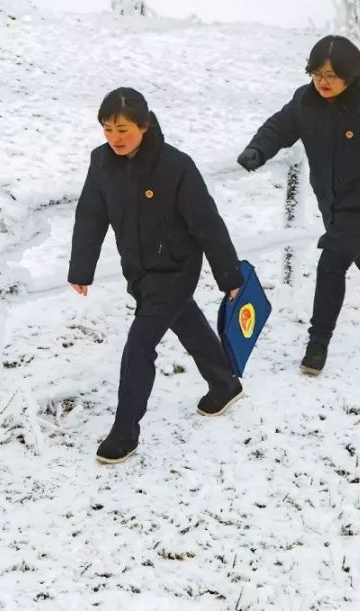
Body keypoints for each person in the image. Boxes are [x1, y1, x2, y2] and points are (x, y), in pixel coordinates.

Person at [236, 36, 360, 376]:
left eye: (330, 75)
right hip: (334, 203)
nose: (322, 82)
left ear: (351, 72)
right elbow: (279, 127)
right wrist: (257, 150)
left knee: (331, 265)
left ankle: (318, 344)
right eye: (316, 74)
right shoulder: (306, 101)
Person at [69, 87, 244, 464]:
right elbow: (90, 216)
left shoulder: (175, 166)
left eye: (123, 129)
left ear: (144, 126)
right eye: (108, 129)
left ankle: (124, 432)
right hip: (138, 271)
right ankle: (224, 383)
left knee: (139, 347)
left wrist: (228, 274)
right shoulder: (101, 163)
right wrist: (81, 268)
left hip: (176, 268)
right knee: (187, 322)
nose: (115, 138)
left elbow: (206, 223)